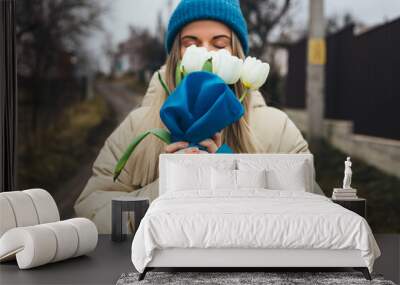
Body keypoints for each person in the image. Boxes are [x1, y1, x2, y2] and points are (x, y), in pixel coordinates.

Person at [74, 0, 324, 234]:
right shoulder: (137, 126)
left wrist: (230, 178)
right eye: (191, 43)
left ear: (237, 54)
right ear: (176, 56)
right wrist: (168, 187)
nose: (206, 53)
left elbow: (315, 215)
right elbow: (91, 215)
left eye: (219, 43)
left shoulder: (276, 129)